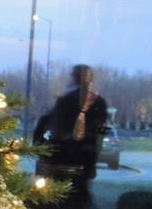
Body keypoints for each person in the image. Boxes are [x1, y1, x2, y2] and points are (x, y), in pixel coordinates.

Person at [34, 64, 109, 208]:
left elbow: (53, 127)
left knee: (56, 198)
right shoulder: (99, 102)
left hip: (62, 158)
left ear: (75, 77)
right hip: (84, 158)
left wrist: (42, 148)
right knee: (79, 197)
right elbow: (99, 132)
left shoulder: (65, 100)